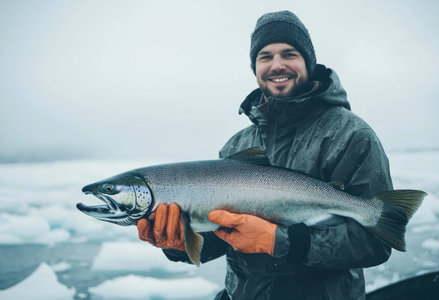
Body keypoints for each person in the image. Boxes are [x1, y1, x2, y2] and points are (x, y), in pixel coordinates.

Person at [137, 10, 393, 300]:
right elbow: (221, 236)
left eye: (289, 54)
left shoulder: (351, 135)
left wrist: (282, 241)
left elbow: (374, 244)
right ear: (255, 67)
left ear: (308, 61)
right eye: (265, 57)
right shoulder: (236, 147)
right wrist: (179, 242)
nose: (277, 65)